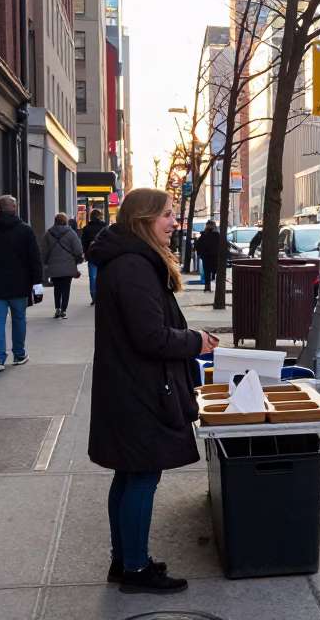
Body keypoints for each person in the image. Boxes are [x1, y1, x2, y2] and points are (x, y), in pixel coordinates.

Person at [86, 187, 217, 595]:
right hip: (140, 389)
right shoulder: (134, 266)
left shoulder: (129, 260)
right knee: (142, 476)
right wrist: (195, 341)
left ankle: (125, 560)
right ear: (143, 219)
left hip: (129, 385)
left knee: (128, 474)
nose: (174, 222)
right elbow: (150, 336)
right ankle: (136, 569)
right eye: (166, 215)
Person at [0, 195, 43, 371]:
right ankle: (19, 354)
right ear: (14, 208)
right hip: (20, 284)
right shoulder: (25, 230)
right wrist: (37, 282)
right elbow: (35, 258)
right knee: (19, 319)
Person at [41, 213, 85, 319]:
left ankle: (57, 308)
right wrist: (78, 260)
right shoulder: (71, 233)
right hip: (68, 265)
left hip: (54, 265)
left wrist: (45, 263)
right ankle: (64, 310)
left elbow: (44, 251)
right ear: (65, 221)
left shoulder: (48, 234)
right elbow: (78, 249)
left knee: (57, 288)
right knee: (66, 288)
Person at [82, 208, 108, 305]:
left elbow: (84, 244)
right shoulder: (104, 227)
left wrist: (86, 253)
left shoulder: (86, 228)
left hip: (91, 255)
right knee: (103, 276)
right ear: (100, 216)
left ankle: (94, 296)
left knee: (93, 277)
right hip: (103, 255)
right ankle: (102, 296)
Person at [195, 220, 225, 292]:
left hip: (206, 257)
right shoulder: (217, 235)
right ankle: (218, 287)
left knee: (207, 272)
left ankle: (207, 287)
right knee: (217, 271)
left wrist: (201, 255)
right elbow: (223, 246)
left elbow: (197, 246)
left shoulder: (203, 235)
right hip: (215, 257)